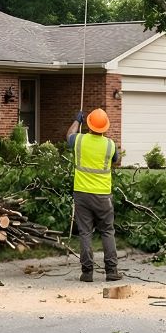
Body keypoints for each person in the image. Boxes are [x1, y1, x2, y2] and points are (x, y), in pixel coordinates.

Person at [66, 107, 123, 282]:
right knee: (107, 231)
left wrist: (77, 120)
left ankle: (87, 272)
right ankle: (111, 271)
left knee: (85, 233)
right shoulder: (110, 145)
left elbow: (69, 135)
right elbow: (116, 160)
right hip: (103, 195)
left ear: (89, 124)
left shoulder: (79, 140)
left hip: (82, 193)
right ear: (105, 127)